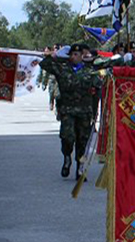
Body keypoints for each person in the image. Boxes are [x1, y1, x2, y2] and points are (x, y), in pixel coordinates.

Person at [39, 44, 103, 178]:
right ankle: (67, 157)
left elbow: (100, 84)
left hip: (84, 111)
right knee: (68, 137)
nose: (75, 57)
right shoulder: (63, 69)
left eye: (77, 54)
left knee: (82, 141)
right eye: (72, 54)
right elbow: (44, 64)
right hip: (68, 110)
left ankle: (80, 167)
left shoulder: (89, 71)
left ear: (81, 56)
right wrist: (55, 55)